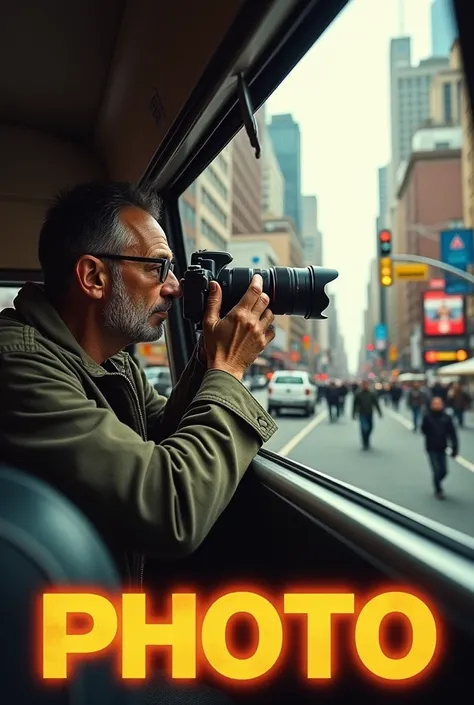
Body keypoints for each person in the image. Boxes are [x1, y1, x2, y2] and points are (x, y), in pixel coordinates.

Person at [0, 181, 278, 587]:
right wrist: (228, 369)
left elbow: (162, 433)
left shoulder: (113, 363)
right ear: (93, 276)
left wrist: (206, 358)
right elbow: (170, 509)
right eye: (157, 267)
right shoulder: (18, 366)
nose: (175, 286)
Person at [421, 396, 458, 499]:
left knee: (444, 471)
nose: (437, 405)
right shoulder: (427, 416)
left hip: (442, 447)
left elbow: (452, 433)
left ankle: (437, 481)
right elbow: (423, 430)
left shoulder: (446, 417)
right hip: (431, 447)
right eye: (435, 404)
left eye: (439, 403)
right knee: (436, 469)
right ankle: (438, 489)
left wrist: (455, 448)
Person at [352, 380, 383, 450]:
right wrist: (353, 414)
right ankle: (364, 442)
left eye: (366, 385)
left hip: (369, 413)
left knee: (371, 427)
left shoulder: (372, 393)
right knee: (364, 428)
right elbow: (355, 404)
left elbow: (376, 403)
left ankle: (367, 440)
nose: (365, 386)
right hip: (362, 413)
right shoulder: (358, 393)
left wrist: (379, 412)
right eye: (363, 385)